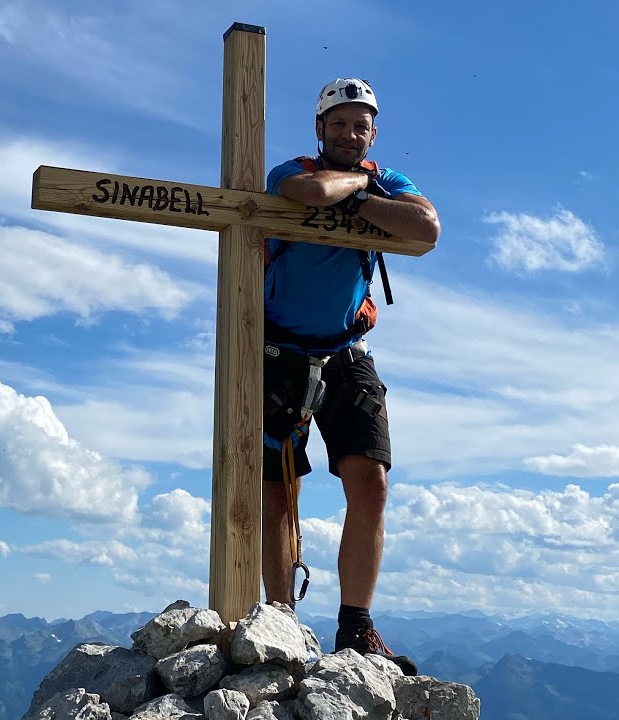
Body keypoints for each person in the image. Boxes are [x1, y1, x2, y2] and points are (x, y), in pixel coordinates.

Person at [261, 77, 440, 677]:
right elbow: (306, 192)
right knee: (279, 489)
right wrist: (362, 186)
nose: (349, 132)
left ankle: (354, 625)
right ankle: (281, 621)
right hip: (276, 352)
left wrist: (360, 194)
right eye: (338, 122)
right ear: (320, 128)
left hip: (346, 352)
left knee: (371, 481)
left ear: (372, 133)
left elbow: (426, 227)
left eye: (360, 124)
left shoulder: (385, 181)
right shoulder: (293, 167)